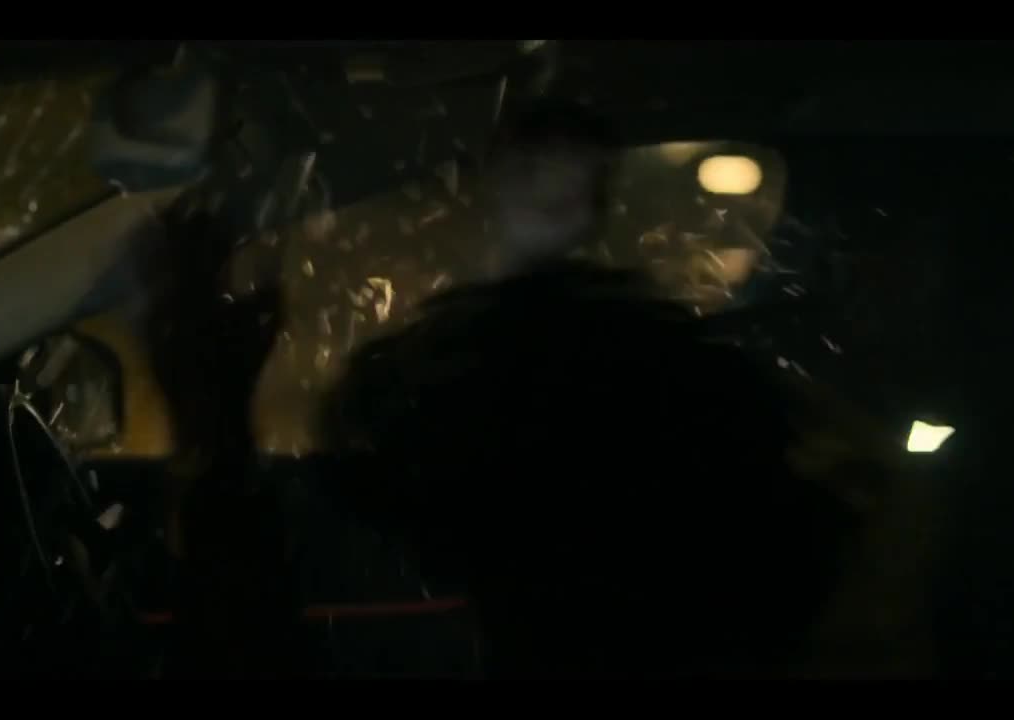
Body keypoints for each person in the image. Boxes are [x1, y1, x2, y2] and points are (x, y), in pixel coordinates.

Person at [316, 99, 859, 673]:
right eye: (536, 172)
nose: (552, 193)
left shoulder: (463, 358)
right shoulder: (664, 352)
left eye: (564, 176)